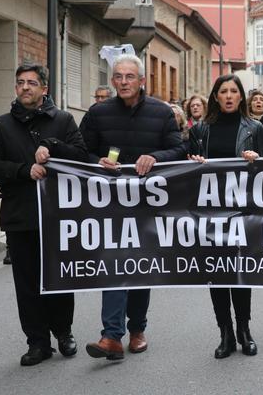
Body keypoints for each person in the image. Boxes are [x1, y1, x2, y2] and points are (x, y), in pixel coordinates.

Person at [81, 54, 187, 360]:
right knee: (115, 264)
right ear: (112, 80)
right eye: (118, 76)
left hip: (147, 204)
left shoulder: (161, 112)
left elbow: (180, 147)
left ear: (142, 81)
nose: (124, 82)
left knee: (140, 267)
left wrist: (156, 157)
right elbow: (80, 149)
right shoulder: (98, 113)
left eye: (130, 77)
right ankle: (111, 336)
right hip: (110, 203)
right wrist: (94, 161)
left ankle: (137, 329)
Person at [0, 63, 87, 366]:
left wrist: (52, 147)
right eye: (20, 83)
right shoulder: (3, 124)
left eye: (31, 83)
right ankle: (37, 342)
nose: (25, 87)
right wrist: (23, 170)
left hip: (57, 217)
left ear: (44, 89)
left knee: (58, 278)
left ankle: (63, 333)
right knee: (26, 284)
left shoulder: (64, 120)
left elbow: (81, 156)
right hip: (20, 216)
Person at [188, 74, 263, 359]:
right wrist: (193, 161)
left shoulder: (254, 127)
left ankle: (244, 330)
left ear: (241, 97)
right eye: (224, 91)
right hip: (210, 213)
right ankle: (225, 332)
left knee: (240, 271)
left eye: (235, 91)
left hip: (242, 210)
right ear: (215, 97)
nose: (230, 96)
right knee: (217, 271)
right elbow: (185, 169)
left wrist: (255, 161)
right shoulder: (200, 129)